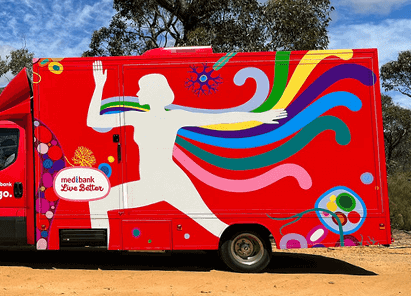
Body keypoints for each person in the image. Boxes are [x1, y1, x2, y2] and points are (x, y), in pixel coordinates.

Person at [86, 60, 286, 238]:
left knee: (214, 226)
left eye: (141, 89)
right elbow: (93, 121)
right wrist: (99, 85)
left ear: (153, 93)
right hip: (156, 183)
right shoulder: (139, 116)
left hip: (168, 181)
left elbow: (218, 118)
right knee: (214, 226)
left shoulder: (167, 116)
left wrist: (260, 116)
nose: (137, 93)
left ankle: (99, 253)